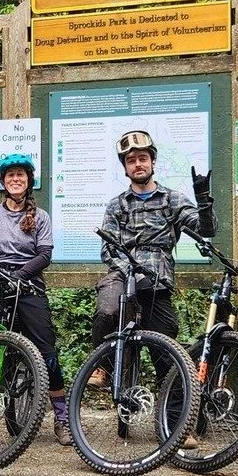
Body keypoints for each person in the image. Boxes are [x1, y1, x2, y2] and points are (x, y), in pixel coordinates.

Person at [89, 130, 214, 383]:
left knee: (166, 354)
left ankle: (175, 413)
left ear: (152, 162)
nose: (138, 164)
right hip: (123, 277)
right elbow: (108, 248)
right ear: (125, 167)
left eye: (143, 158)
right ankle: (103, 366)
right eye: (131, 160)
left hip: (157, 281)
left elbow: (206, 229)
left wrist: (202, 199)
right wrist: (130, 269)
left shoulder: (172, 199)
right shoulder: (117, 204)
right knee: (107, 311)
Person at [0, 153, 71, 445]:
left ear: (29, 182)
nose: (15, 179)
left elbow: (44, 255)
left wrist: (20, 275)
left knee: (47, 352)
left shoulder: (40, 216)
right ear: (3, 182)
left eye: (21, 175)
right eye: (10, 175)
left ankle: (62, 417)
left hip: (28, 285)